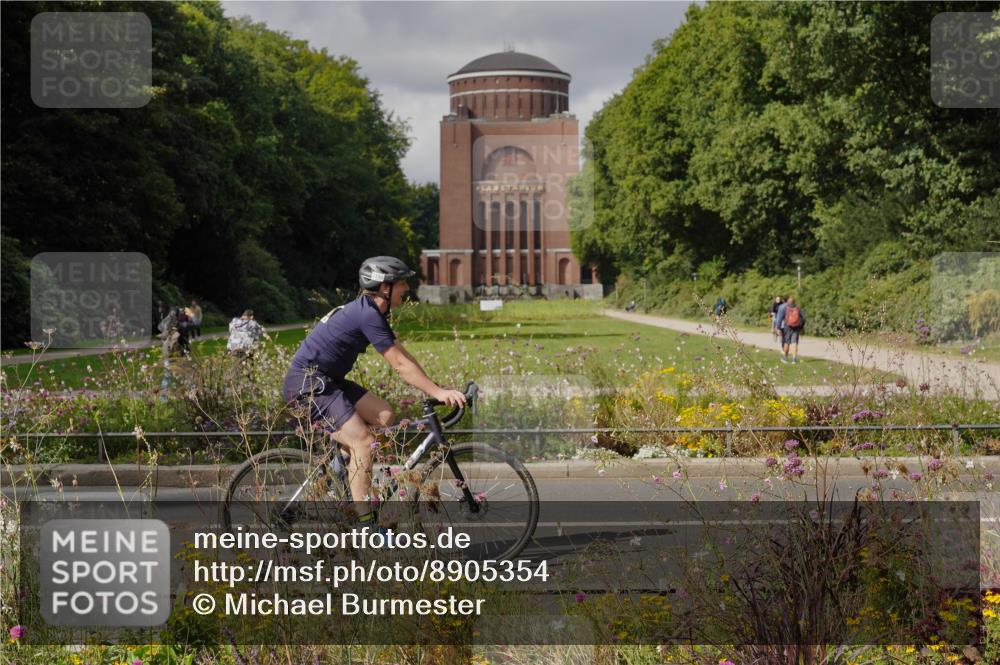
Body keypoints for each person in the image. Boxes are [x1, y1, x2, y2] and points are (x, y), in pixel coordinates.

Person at [282, 256, 466, 526]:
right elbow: (400, 366)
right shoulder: (367, 313)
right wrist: (438, 392)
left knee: (385, 415)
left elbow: (403, 355)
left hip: (327, 380)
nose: (407, 288)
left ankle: (338, 477)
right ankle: (366, 525)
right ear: (384, 287)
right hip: (309, 385)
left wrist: (436, 386)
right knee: (364, 443)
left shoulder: (370, 311)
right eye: (402, 282)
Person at [775, 296, 806, 363]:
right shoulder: (797, 308)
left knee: (787, 342)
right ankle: (794, 359)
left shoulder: (785, 308)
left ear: (788, 302)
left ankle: (785, 358)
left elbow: (779, 318)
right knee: (794, 343)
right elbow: (803, 318)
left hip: (787, 327)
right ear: (794, 302)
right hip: (796, 327)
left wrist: (778, 328)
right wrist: (801, 327)